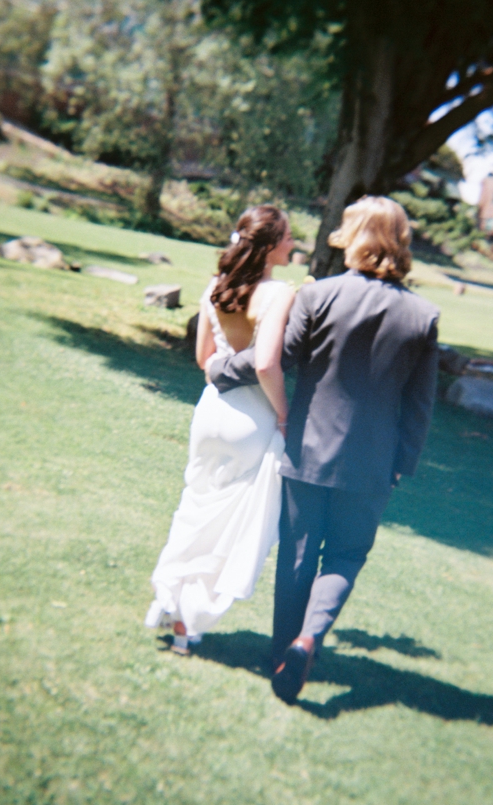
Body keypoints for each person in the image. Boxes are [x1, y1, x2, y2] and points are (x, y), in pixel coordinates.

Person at [209, 196, 440, 702]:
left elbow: (276, 358)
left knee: (296, 556)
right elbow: (419, 406)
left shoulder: (320, 296)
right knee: (346, 554)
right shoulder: (423, 316)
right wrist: (403, 464)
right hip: (373, 464)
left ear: (355, 237)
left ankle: (280, 655)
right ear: (399, 242)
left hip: (308, 450)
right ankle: (310, 638)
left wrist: (219, 371)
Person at [144, 205, 296, 653]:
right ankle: (189, 624)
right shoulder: (278, 294)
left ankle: (170, 602)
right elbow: (266, 363)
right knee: (229, 529)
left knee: (195, 510)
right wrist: (285, 416)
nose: (293, 244)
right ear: (269, 247)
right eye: (288, 237)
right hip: (252, 418)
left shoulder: (214, 287)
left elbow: (204, 359)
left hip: (210, 412)